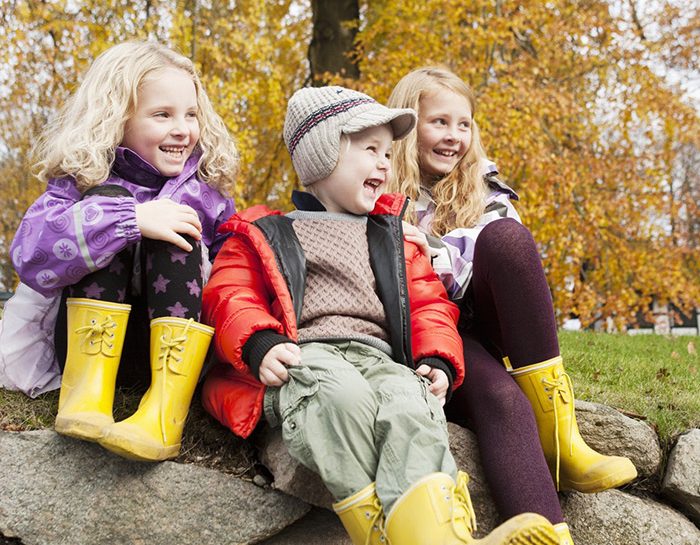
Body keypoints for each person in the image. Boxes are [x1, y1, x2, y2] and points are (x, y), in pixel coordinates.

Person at [201, 85, 559, 545]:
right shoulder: (265, 231)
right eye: (370, 150)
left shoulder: (394, 238)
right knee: (339, 394)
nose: (385, 164)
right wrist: (258, 342)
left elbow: (430, 303)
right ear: (322, 156)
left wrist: (439, 360)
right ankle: (380, 531)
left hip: (382, 360)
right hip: (306, 356)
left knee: (411, 406)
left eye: (388, 153)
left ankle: (439, 532)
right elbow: (229, 294)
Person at [387, 67, 639, 545]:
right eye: (439, 122)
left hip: (490, 320)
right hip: (432, 333)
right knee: (501, 400)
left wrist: (428, 250)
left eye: (464, 124)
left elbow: (500, 255)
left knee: (506, 239)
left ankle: (562, 439)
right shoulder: (378, 188)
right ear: (407, 124)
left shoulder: (484, 186)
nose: (454, 137)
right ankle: (553, 535)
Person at [7, 41, 238, 462]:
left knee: (176, 224)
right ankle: (87, 397)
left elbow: (232, 275)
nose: (182, 129)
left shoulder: (207, 196)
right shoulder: (82, 183)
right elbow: (28, 255)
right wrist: (126, 220)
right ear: (117, 119)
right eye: (162, 115)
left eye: (191, 115)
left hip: (169, 354)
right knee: (108, 205)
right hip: (85, 350)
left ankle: (165, 410)